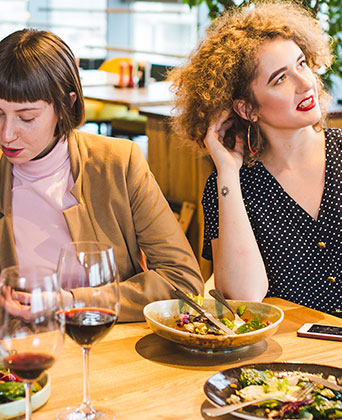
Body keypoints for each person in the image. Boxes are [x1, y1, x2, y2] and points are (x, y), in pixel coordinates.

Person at [170, 1, 342, 343]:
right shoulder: (231, 187)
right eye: (280, 79)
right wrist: (227, 172)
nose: (304, 82)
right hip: (291, 366)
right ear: (246, 108)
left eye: (302, 64)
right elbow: (245, 297)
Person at [0, 29, 203, 321]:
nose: (7, 134)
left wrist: (70, 302)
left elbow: (182, 282)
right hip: (19, 352)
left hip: (108, 348)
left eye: (27, 117)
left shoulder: (118, 164)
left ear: (66, 104)